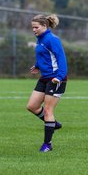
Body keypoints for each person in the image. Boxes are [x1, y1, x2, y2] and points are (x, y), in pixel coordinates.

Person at [26, 14, 68, 152]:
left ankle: (47, 145)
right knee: (32, 106)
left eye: (36, 27)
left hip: (56, 78)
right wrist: (38, 65)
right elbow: (45, 56)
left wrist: (60, 77)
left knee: (49, 110)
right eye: (32, 27)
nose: (34, 30)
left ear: (44, 26)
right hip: (45, 77)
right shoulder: (40, 39)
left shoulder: (52, 39)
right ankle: (53, 124)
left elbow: (61, 59)